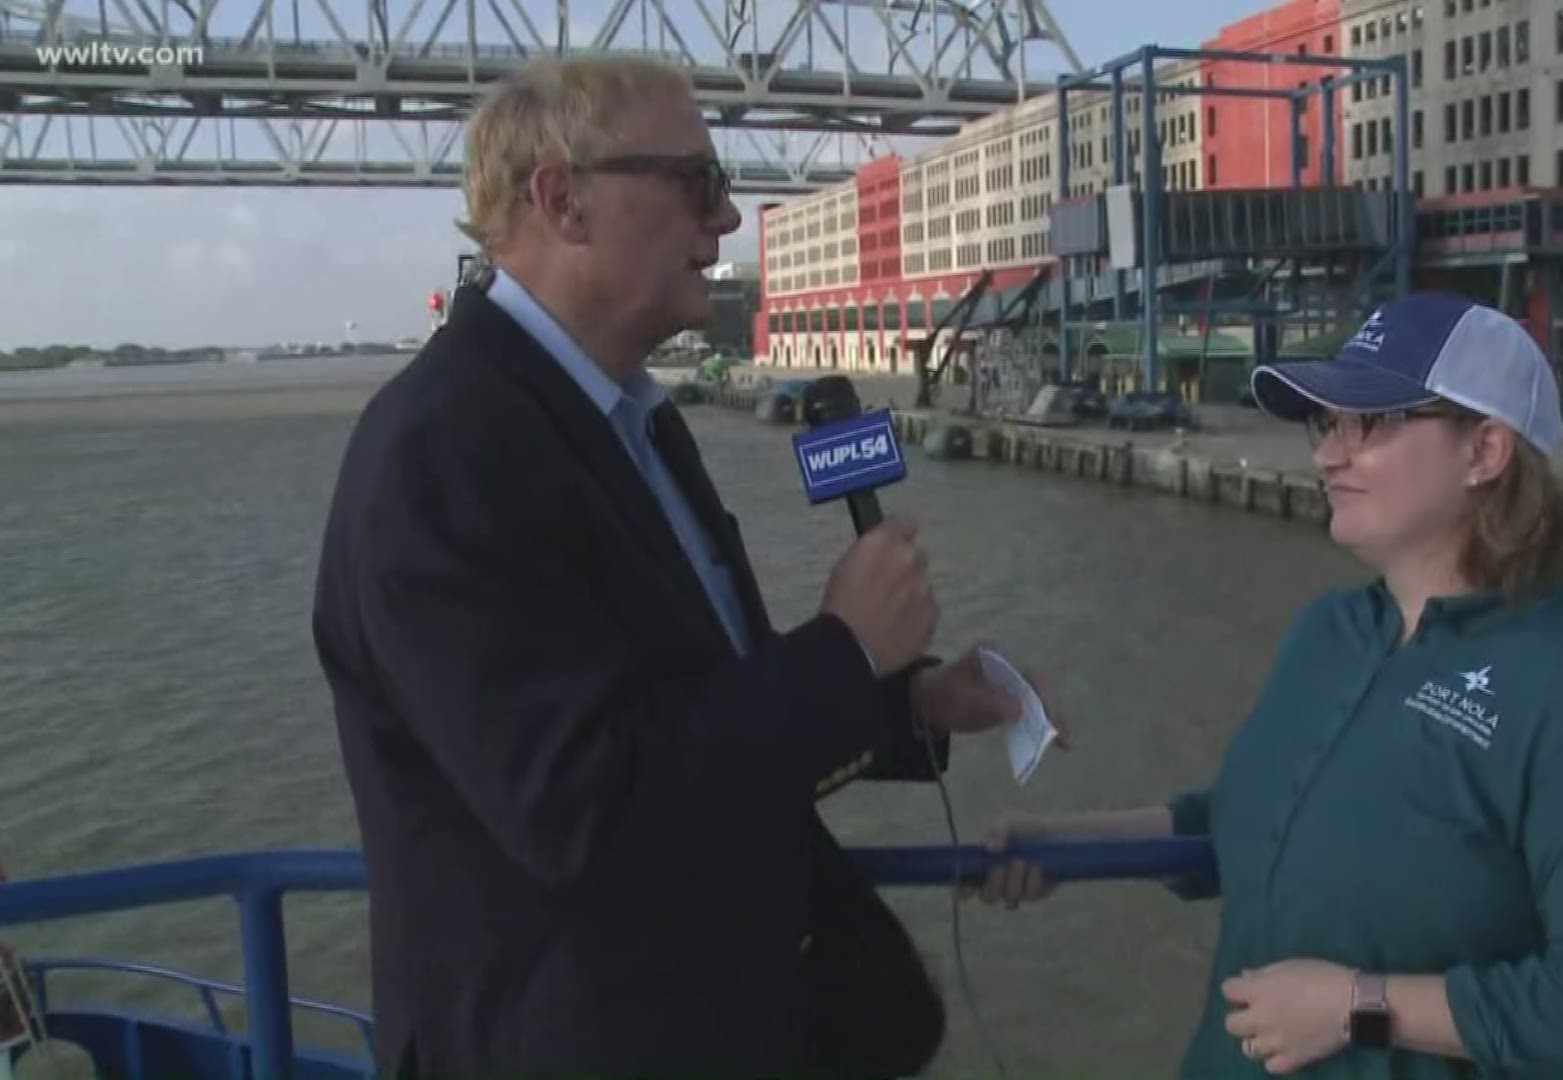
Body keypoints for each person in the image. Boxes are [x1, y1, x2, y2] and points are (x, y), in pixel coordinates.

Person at [311, 55, 1045, 1080]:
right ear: (564, 200)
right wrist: (841, 653)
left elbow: (688, 713)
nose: (730, 219)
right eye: (698, 183)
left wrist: (905, 704)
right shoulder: (441, 454)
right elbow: (583, 804)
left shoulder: (629, 421)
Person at [973, 292, 1563, 1079]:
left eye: (1371, 423)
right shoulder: (1327, 633)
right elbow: (1241, 824)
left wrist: (1357, 1007)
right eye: (1326, 424)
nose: (1330, 454)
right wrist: (1069, 844)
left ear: (1484, 450)